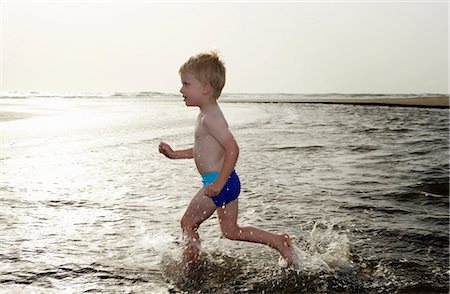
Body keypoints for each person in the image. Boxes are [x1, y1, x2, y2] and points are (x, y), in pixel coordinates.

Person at [158, 51, 297, 271]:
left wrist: (219, 183)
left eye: (186, 84)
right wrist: (175, 154)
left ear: (205, 88)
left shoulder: (210, 117)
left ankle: (190, 267)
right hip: (227, 180)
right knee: (231, 231)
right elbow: (204, 150)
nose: (181, 90)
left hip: (219, 182)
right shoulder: (206, 114)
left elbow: (233, 148)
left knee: (187, 223)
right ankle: (277, 240)